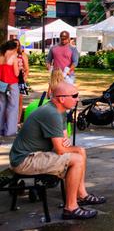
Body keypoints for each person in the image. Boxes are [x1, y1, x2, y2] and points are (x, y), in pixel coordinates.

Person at [9, 81, 105, 220]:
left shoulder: (60, 112)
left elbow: (63, 140)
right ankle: (70, 208)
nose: (77, 99)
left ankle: (81, 195)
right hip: (24, 160)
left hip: (35, 154)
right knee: (76, 159)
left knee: (80, 152)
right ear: (61, 98)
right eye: (74, 96)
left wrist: (67, 145)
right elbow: (60, 149)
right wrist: (65, 145)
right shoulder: (51, 113)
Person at [0, 40, 20, 136]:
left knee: (1, 106)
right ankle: (10, 131)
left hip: (1, 83)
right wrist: (19, 69)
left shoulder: (1, 56)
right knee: (13, 107)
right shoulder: (14, 57)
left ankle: (0, 129)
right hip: (12, 84)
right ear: (14, 48)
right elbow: (16, 73)